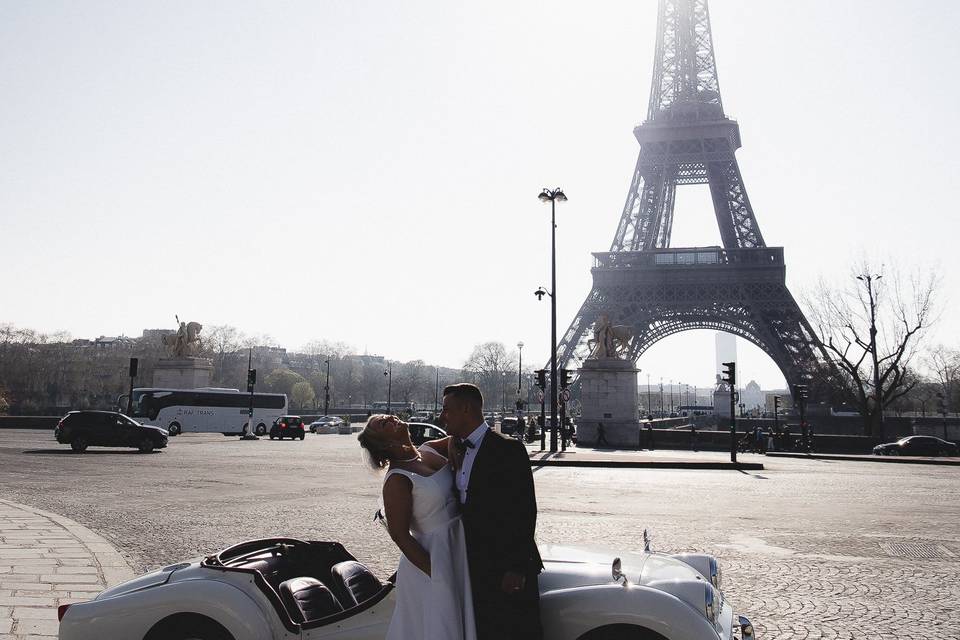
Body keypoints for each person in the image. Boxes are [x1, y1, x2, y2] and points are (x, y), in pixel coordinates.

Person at [357, 414, 476, 640]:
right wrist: (436, 571)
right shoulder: (396, 479)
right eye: (385, 423)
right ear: (384, 443)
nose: (391, 418)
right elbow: (400, 536)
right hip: (431, 558)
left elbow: (458, 438)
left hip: (457, 544)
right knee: (440, 624)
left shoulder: (429, 449)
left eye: (387, 416)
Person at [441, 383, 543, 640]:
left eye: (447, 410)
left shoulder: (508, 449)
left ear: (466, 409)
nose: (442, 416)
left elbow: (525, 510)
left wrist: (517, 567)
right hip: (476, 564)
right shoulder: (457, 447)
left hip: (506, 565)